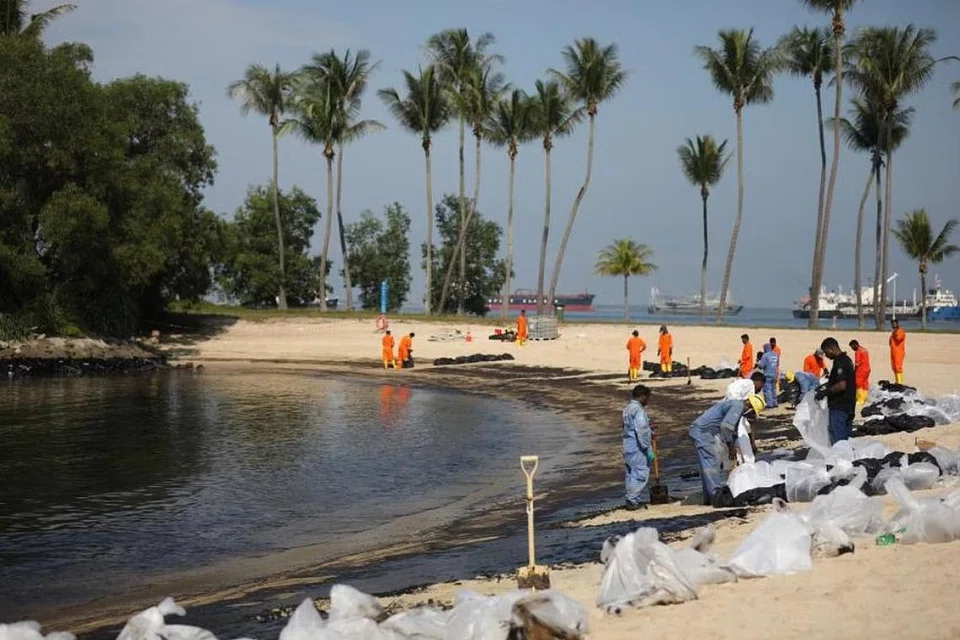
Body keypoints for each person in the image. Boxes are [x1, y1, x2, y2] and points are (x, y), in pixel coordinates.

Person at [688, 393, 765, 506]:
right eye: (753, 412)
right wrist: (730, 447)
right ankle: (716, 495)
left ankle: (709, 497)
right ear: (749, 405)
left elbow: (732, 431)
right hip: (703, 432)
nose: (752, 415)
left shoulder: (738, 408)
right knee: (711, 462)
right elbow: (725, 427)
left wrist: (733, 448)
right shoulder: (738, 407)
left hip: (703, 432)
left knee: (708, 463)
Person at [816, 337, 857, 444]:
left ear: (831, 349)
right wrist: (824, 386)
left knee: (838, 440)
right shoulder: (847, 360)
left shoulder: (840, 362)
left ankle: (840, 460)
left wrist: (826, 392)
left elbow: (841, 385)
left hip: (840, 407)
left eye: (826, 352)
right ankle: (846, 459)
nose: (826, 356)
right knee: (846, 440)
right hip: (849, 406)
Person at [622, 384, 654, 510]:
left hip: (628, 445)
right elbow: (642, 430)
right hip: (637, 447)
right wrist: (648, 448)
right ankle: (633, 500)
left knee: (630, 474)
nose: (648, 400)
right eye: (648, 397)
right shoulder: (638, 411)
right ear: (643, 396)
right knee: (640, 473)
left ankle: (631, 498)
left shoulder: (627, 409)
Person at [757, 343, 780, 409]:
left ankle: (769, 404)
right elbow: (777, 364)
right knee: (774, 389)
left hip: (767, 374)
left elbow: (762, 366)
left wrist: (758, 363)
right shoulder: (776, 355)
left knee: (768, 390)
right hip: (774, 374)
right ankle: (775, 402)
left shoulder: (765, 356)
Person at [850, 339, 871, 405]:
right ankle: (864, 397)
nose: (852, 348)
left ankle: (860, 400)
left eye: (852, 347)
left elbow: (857, 363)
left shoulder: (858, 352)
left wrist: (854, 371)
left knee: (859, 384)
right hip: (867, 369)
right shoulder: (864, 349)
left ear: (855, 345)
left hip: (861, 370)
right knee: (865, 383)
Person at [889, 318, 906, 384]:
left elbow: (898, 338)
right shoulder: (893, 332)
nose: (893, 325)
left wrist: (895, 332)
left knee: (898, 366)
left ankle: (899, 382)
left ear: (897, 324)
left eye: (894, 324)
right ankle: (897, 380)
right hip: (893, 352)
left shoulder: (900, 331)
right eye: (892, 324)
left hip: (899, 352)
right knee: (894, 366)